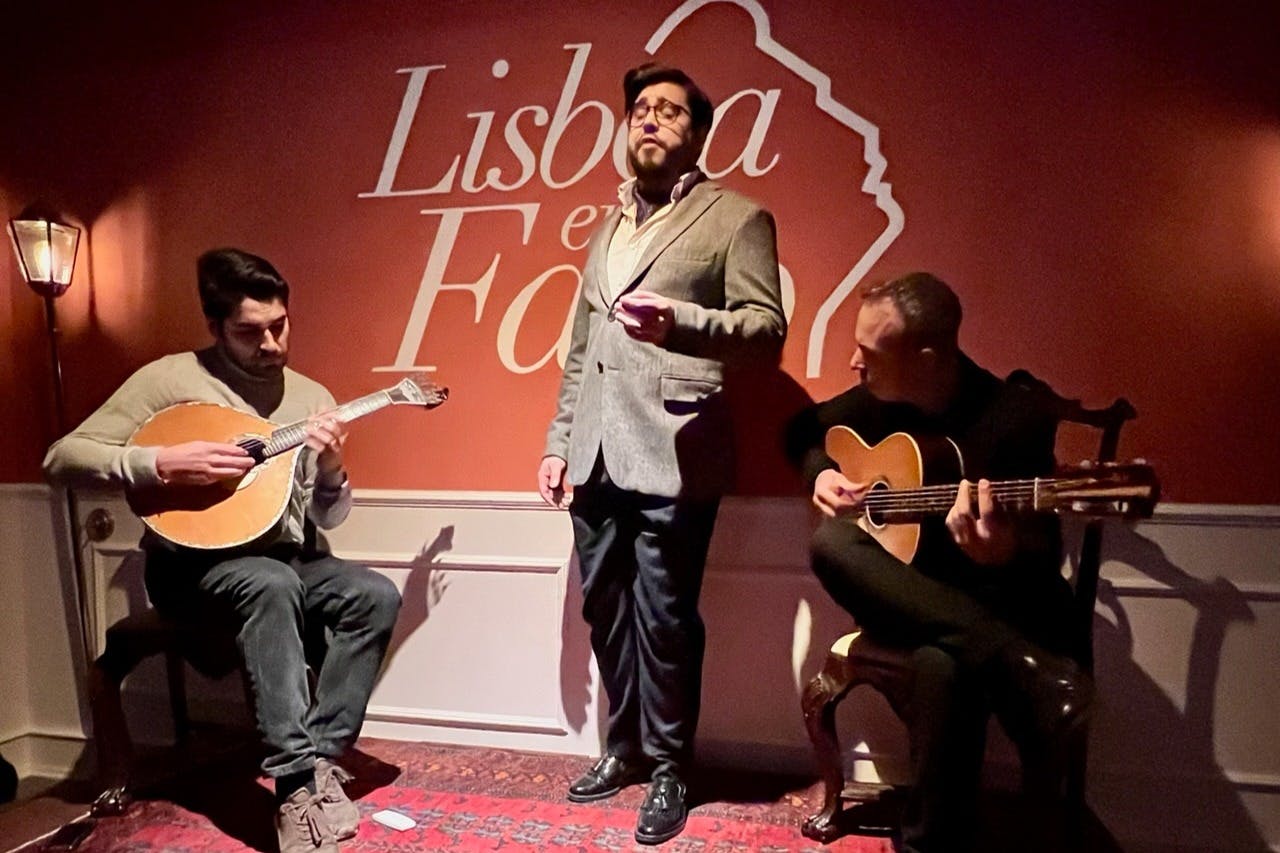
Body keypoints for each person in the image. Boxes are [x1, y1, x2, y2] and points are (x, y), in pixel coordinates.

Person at [44, 248, 401, 853]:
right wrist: (157, 462)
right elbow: (61, 458)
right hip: (189, 568)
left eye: (279, 325)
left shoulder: (310, 395)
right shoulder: (169, 380)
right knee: (270, 583)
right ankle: (294, 787)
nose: (270, 344)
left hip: (282, 557)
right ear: (215, 327)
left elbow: (326, 516)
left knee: (373, 595)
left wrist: (333, 468)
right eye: (249, 331)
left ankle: (320, 761)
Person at [537, 63, 786, 845]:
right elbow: (581, 350)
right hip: (595, 450)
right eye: (640, 109)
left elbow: (766, 331)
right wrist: (557, 443)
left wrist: (679, 320)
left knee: (665, 614)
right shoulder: (605, 229)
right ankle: (625, 746)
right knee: (604, 607)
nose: (649, 120)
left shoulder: (737, 218)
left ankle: (673, 765)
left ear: (698, 133)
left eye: (670, 112)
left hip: (677, 446)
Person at [785, 272, 1092, 853]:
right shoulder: (877, 403)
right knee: (831, 543)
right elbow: (801, 428)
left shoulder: (1014, 417)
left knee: (942, 666)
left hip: (992, 601)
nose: (854, 362)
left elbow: (1043, 551)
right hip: (911, 598)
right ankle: (1018, 664)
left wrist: (1002, 552)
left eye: (871, 351)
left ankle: (928, 844)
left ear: (925, 358)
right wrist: (821, 473)